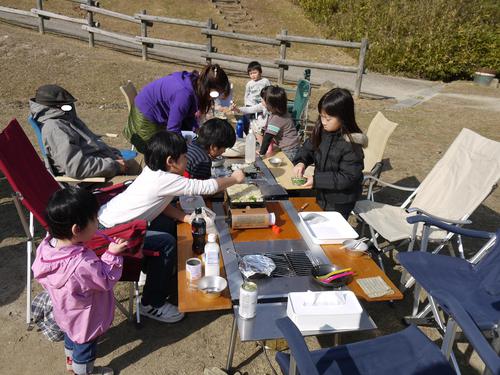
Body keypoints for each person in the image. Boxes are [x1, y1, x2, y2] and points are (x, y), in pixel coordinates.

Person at [98, 131, 245, 319]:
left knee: (167, 225)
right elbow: (204, 187)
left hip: (107, 221)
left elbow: (162, 204)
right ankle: (151, 303)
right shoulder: (166, 180)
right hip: (112, 235)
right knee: (166, 242)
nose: (186, 159)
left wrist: (184, 218)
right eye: (184, 157)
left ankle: (150, 271)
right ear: (171, 161)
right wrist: (235, 179)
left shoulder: (152, 171)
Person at [31, 187, 129, 375]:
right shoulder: (82, 263)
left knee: (71, 336)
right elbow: (105, 280)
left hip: (65, 310)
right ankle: (84, 372)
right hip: (86, 317)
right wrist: (112, 254)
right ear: (76, 229)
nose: (97, 222)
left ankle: (71, 365)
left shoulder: (47, 246)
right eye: (94, 219)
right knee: (85, 348)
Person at [30, 84, 141, 180]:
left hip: (107, 166)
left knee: (152, 163)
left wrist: (115, 155)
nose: (71, 107)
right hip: (96, 180)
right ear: (56, 106)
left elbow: (93, 145)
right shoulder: (55, 129)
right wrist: (115, 166)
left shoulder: (67, 118)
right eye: (67, 104)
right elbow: (77, 168)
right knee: (149, 183)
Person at [292, 88, 367, 219]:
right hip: (321, 192)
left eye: (328, 118)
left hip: (341, 200)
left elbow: (348, 177)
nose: (323, 122)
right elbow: (308, 149)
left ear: (343, 117)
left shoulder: (351, 143)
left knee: (331, 231)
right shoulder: (322, 131)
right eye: (321, 116)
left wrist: (317, 180)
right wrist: (301, 161)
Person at [125, 64, 231, 153]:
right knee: (157, 153)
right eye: (215, 94)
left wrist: (196, 132)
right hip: (147, 113)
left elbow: (188, 115)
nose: (215, 98)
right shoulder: (183, 94)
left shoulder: (196, 84)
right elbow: (173, 130)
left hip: (160, 112)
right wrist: (189, 152)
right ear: (206, 87)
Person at [258, 85, 300, 161]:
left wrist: (261, 154)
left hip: (289, 151)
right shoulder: (280, 112)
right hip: (293, 147)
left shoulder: (277, 118)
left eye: (263, 99)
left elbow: (268, 138)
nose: (260, 100)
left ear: (271, 104)